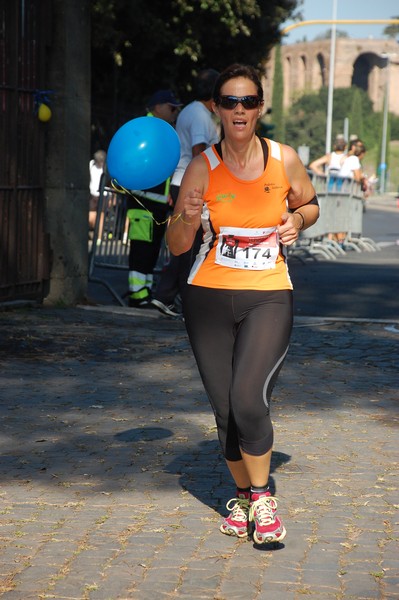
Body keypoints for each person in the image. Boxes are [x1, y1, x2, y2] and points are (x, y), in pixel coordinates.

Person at [166, 64, 319, 544]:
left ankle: (263, 498)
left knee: (249, 398)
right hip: (207, 295)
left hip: (269, 293)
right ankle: (243, 496)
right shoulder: (201, 167)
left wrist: (298, 218)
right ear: (216, 108)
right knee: (225, 410)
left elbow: (311, 204)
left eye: (248, 102)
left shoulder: (283, 159)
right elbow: (175, 245)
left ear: (260, 108)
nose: (239, 110)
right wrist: (186, 219)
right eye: (229, 102)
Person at [151, 69, 220, 317]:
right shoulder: (201, 116)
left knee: (188, 241)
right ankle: (169, 294)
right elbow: (200, 152)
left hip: (183, 181)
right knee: (192, 243)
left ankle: (173, 295)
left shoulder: (190, 111)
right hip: (193, 183)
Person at [127, 90, 182, 308]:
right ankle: (138, 295)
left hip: (156, 200)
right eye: (171, 108)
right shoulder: (147, 129)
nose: (175, 112)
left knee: (150, 249)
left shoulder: (160, 130)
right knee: (142, 248)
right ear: (157, 107)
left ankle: (144, 293)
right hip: (143, 200)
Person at [89, 149, 106, 232]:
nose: (100, 163)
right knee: (91, 215)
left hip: (103, 195)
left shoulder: (106, 168)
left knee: (101, 216)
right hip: (92, 194)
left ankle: (98, 237)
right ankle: (93, 232)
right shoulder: (91, 164)